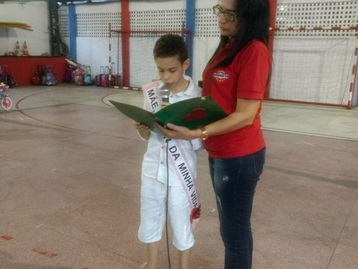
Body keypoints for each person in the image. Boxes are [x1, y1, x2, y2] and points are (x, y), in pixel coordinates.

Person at [155, 0, 271, 268]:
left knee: (235, 233)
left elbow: (246, 114)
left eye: (230, 14)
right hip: (220, 151)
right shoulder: (229, 44)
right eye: (219, 11)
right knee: (232, 230)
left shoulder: (254, 51)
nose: (221, 18)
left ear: (249, 16)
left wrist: (197, 132)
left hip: (240, 155)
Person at [134, 34, 202, 269]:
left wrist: (183, 133)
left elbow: (201, 141)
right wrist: (143, 129)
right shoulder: (156, 93)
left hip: (180, 173)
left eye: (172, 70)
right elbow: (147, 137)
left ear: (185, 64)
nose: (165, 77)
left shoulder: (197, 97)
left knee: (182, 224)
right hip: (153, 169)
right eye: (160, 70)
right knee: (150, 221)